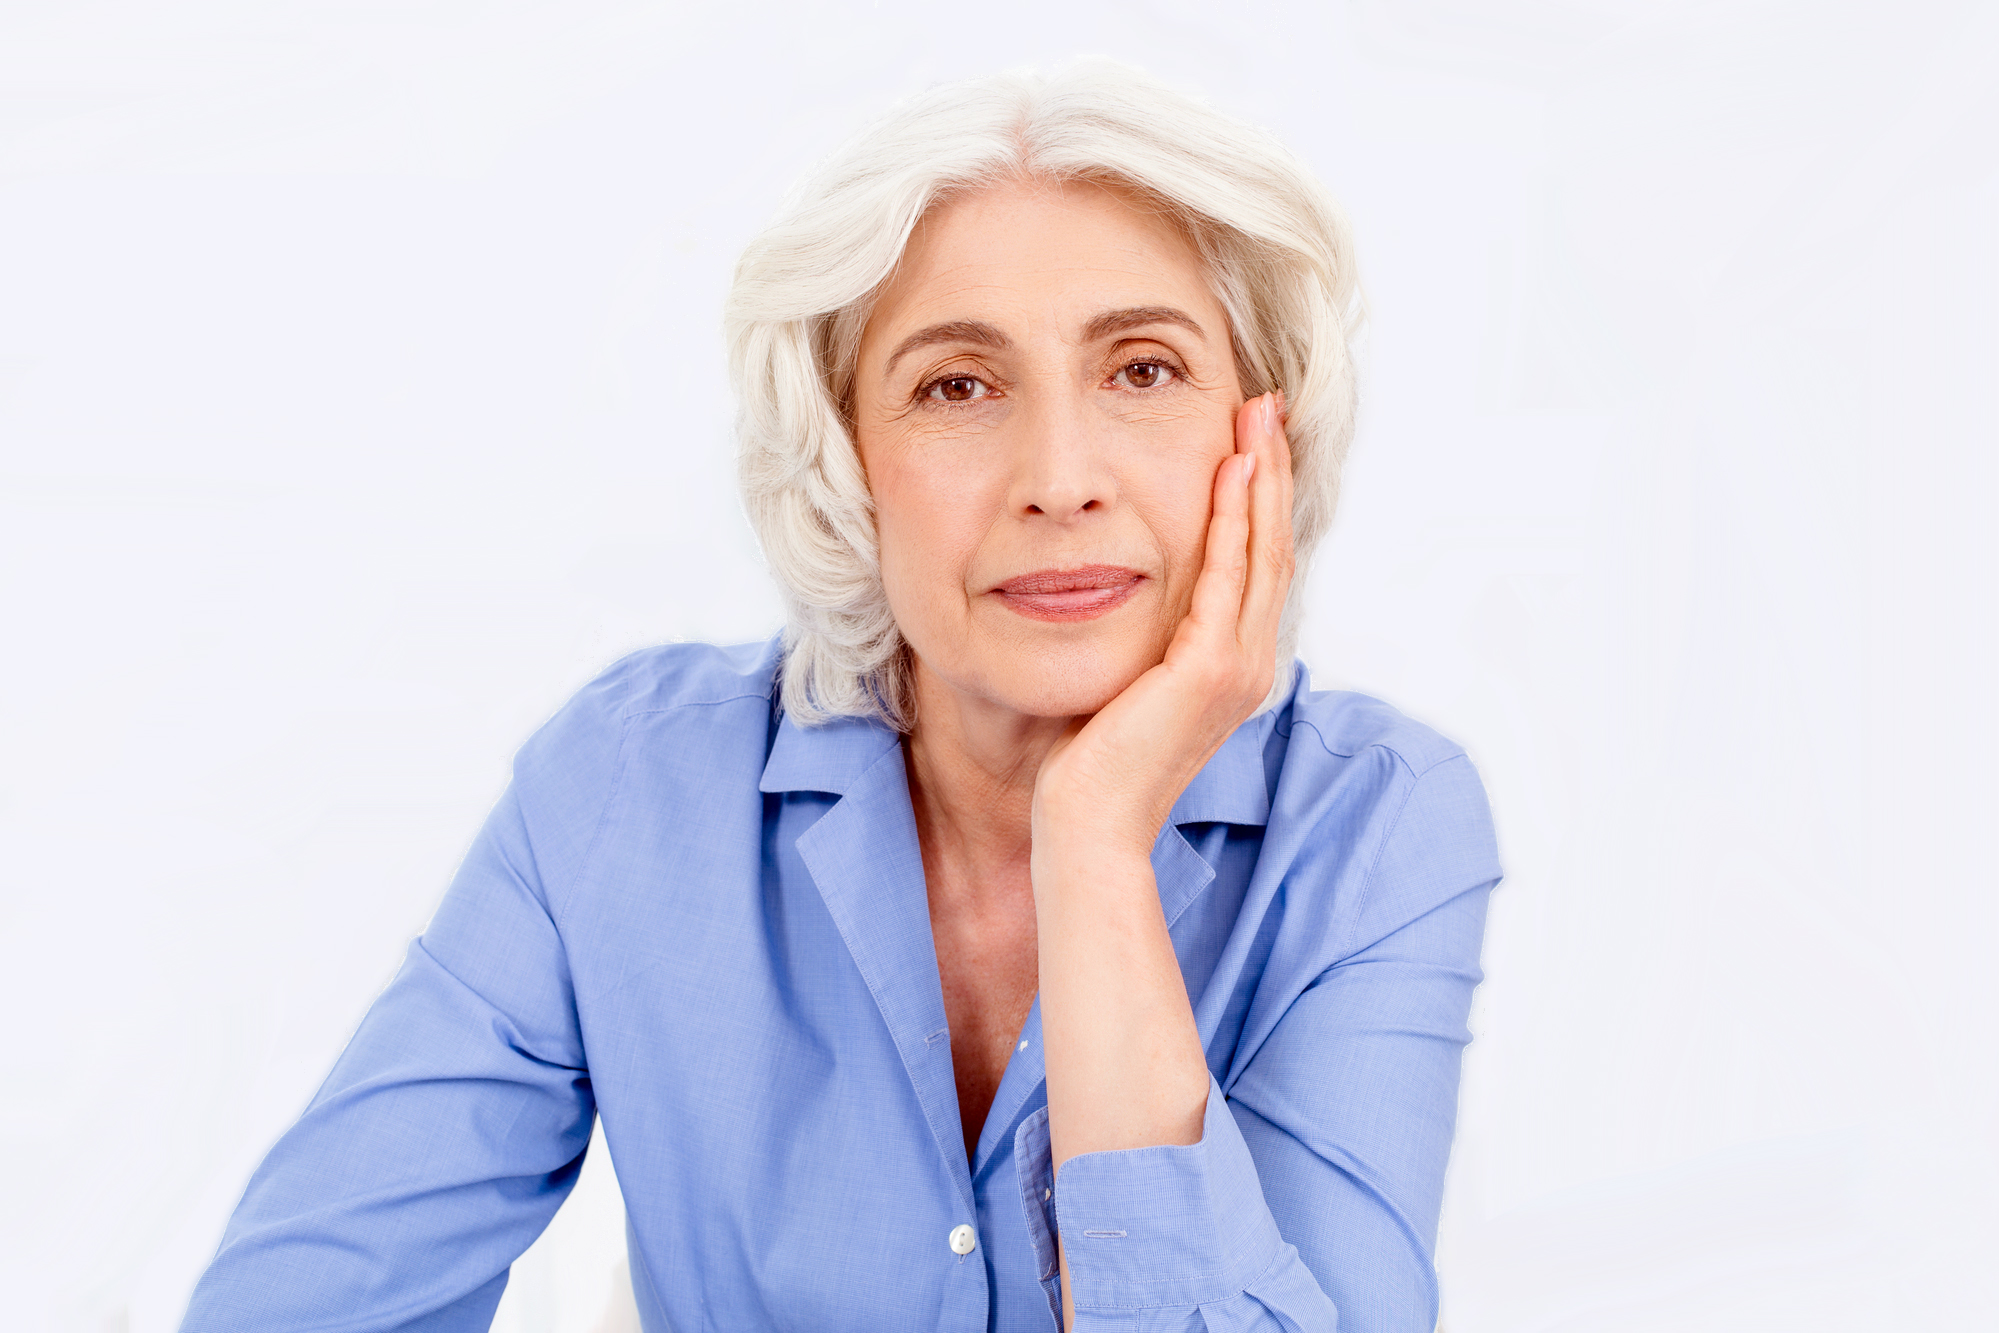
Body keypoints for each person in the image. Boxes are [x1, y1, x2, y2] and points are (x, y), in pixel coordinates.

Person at [180, 62, 1501, 1333]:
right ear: (844, 461)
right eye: (958, 385)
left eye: (1142, 368)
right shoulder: (627, 786)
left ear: (1258, 438)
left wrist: (1093, 844)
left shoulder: (1379, 824)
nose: (1060, 475)